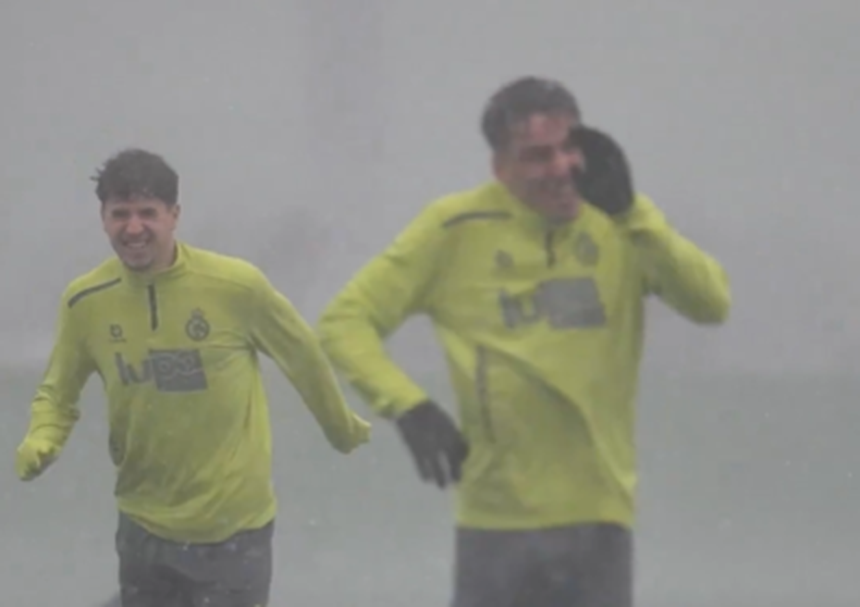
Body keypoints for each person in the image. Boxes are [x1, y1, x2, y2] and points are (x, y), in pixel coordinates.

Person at [316, 76, 731, 607]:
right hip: (496, 520)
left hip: (599, 514)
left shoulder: (623, 223)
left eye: (569, 148)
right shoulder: (454, 228)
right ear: (500, 167)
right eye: (537, 155)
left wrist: (631, 213)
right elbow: (344, 322)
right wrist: (408, 406)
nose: (560, 168)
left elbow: (711, 303)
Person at [14, 148, 372, 607]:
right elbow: (58, 394)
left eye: (148, 213)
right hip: (143, 524)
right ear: (103, 218)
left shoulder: (236, 286)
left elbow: (302, 358)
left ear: (174, 215)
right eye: (120, 214)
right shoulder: (86, 301)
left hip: (233, 531)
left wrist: (339, 426)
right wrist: (43, 436)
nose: (134, 227)